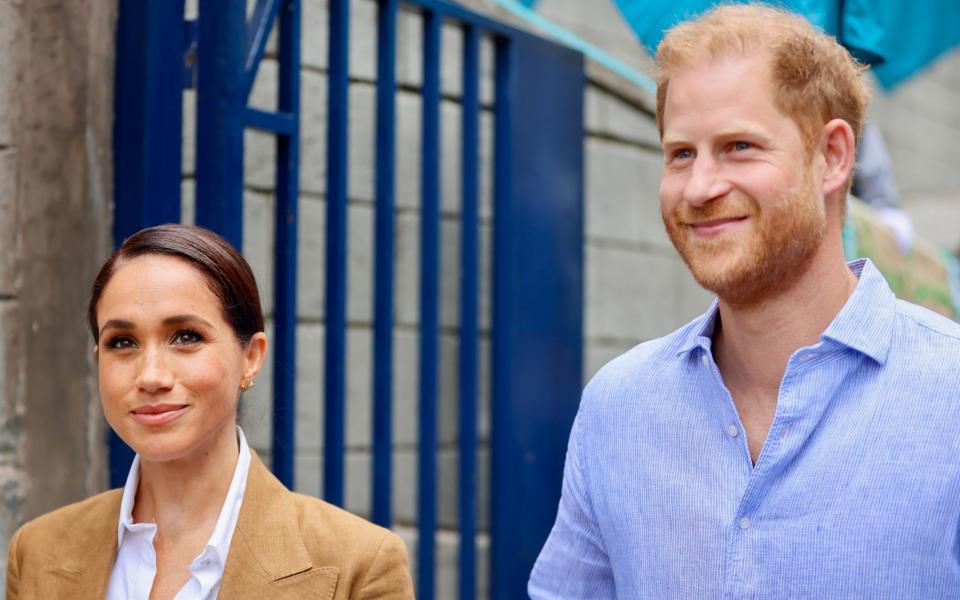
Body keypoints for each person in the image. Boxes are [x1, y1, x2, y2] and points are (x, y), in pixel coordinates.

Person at [530, 5, 960, 599]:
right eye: (681, 153)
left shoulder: (950, 394)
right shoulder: (618, 406)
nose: (700, 187)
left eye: (738, 146)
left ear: (833, 156)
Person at [6, 224, 414, 599]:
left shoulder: (357, 565)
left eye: (186, 337)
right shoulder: (38, 551)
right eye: (123, 342)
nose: (151, 376)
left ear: (250, 357)